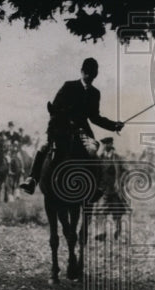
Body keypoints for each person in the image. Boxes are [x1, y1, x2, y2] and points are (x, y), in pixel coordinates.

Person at [20, 57, 124, 194]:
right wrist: (65, 121)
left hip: (82, 131)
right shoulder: (68, 86)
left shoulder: (95, 93)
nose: (89, 77)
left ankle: (96, 187)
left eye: (92, 75)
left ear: (95, 75)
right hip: (60, 127)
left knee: (93, 151)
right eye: (87, 73)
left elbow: (94, 118)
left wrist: (114, 125)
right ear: (82, 72)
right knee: (43, 146)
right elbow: (55, 108)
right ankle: (32, 179)